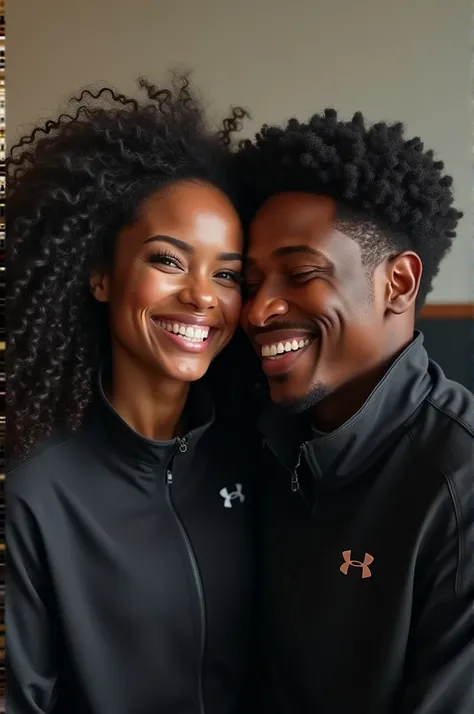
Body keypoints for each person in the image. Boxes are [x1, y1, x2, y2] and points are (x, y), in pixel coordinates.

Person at [6, 77, 256, 714]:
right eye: (169, 260)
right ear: (100, 276)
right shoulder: (35, 493)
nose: (203, 296)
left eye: (226, 273)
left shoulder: (258, 459)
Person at [233, 109, 474, 713]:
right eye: (251, 281)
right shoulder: (250, 438)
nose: (258, 312)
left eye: (302, 273)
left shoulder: (460, 484)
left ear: (397, 283)